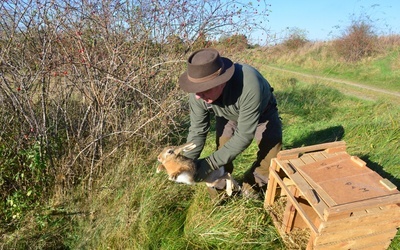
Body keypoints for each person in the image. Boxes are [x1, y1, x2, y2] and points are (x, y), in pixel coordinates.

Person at [178, 48, 282, 197]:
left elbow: (244, 136)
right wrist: (185, 164)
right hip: (227, 116)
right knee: (223, 150)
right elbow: (197, 131)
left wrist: (207, 165)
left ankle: (252, 188)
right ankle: (222, 191)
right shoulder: (199, 96)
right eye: (196, 90)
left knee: (270, 155)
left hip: (263, 113)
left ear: (222, 81)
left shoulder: (249, 84)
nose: (198, 96)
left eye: (204, 89)